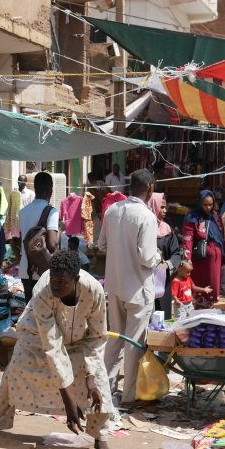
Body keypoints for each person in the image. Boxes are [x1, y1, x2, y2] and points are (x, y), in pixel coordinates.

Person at [0, 250, 116, 449]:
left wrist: (90, 376)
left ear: (76, 279)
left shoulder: (94, 291)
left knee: (99, 383)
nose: (55, 285)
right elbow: (52, 344)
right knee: (15, 370)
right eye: (53, 280)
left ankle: (100, 438)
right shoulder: (42, 292)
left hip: (77, 342)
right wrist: (68, 401)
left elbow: (97, 336)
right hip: (37, 338)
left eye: (61, 282)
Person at [98, 169, 160, 405]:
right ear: (150, 189)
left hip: (114, 285)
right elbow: (147, 257)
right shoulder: (146, 217)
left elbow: (101, 245)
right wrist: (159, 259)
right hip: (137, 289)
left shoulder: (113, 211)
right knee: (134, 344)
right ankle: (128, 396)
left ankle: (106, 390)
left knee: (114, 339)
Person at [18, 171, 59, 302]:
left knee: (31, 314)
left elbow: (21, 240)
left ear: (35, 188)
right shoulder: (51, 211)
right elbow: (53, 244)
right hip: (43, 272)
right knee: (45, 315)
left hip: (25, 270)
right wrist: (61, 230)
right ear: (50, 189)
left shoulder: (23, 212)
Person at [181, 190, 225, 308]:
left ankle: (212, 307)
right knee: (201, 284)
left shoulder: (215, 216)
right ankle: (200, 309)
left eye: (210, 204)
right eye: (205, 205)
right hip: (201, 259)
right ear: (200, 203)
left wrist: (224, 253)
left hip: (215, 257)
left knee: (213, 284)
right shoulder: (192, 217)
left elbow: (221, 235)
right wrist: (187, 258)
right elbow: (188, 238)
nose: (208, 207)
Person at [148, 192, 181, 318]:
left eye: (165, 207)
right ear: (153, 206)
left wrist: (167, 264)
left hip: (162, 282)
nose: (165, 210)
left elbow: (176, 253)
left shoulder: (167, 230)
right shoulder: (143, 228)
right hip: (145, 280)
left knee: (162, 317)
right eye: (161, 207)